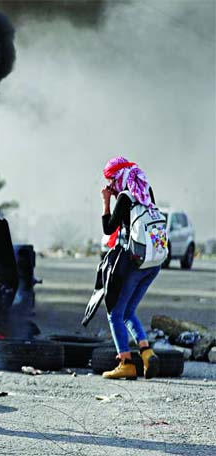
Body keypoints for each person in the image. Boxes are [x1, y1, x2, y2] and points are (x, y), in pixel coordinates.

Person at [100, 156, 160, 380]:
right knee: (128, 312)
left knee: (115, 313)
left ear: (119, 177)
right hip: (153, 263)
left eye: (111, 180)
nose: (110, 186)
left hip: (135, 263)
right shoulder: (145, 192)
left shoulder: (125, 197)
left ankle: (125, 362)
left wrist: (106, 201)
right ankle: (146, 353)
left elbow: (108, 228)